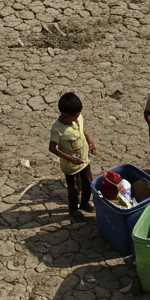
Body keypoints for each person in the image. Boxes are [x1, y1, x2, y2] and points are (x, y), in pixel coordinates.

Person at [49, 92, 97, 222]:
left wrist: (90, 141)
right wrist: (70, 158)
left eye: (79, 114)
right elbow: (52, 148)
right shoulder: (58, 129)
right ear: (65, 115)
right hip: (70, 165)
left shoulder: (78, 118)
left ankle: (85, 203)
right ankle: (73, 209)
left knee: (88, 183)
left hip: (84, 159)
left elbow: (82, 130)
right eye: (75, 116)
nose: (77, 118)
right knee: (74, 188)